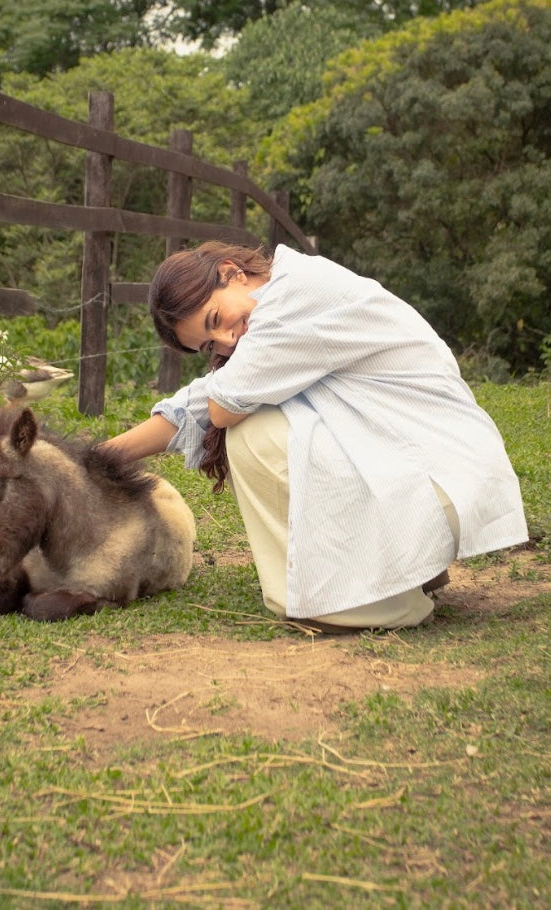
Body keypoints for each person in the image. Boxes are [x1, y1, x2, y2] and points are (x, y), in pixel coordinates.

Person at [103, 242, 529, 631]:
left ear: (232, 272)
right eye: (208, 343)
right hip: (437, 481)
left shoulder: (293, 298)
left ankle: (368, 605)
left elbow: (220, 406)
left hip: (439, 485)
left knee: (252, 429)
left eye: (215, 320)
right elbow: (201, 400)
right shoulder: (287, 294)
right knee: (265, 413)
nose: (225, 341)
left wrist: (222, 397)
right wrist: (100, 457)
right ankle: (406, 570)